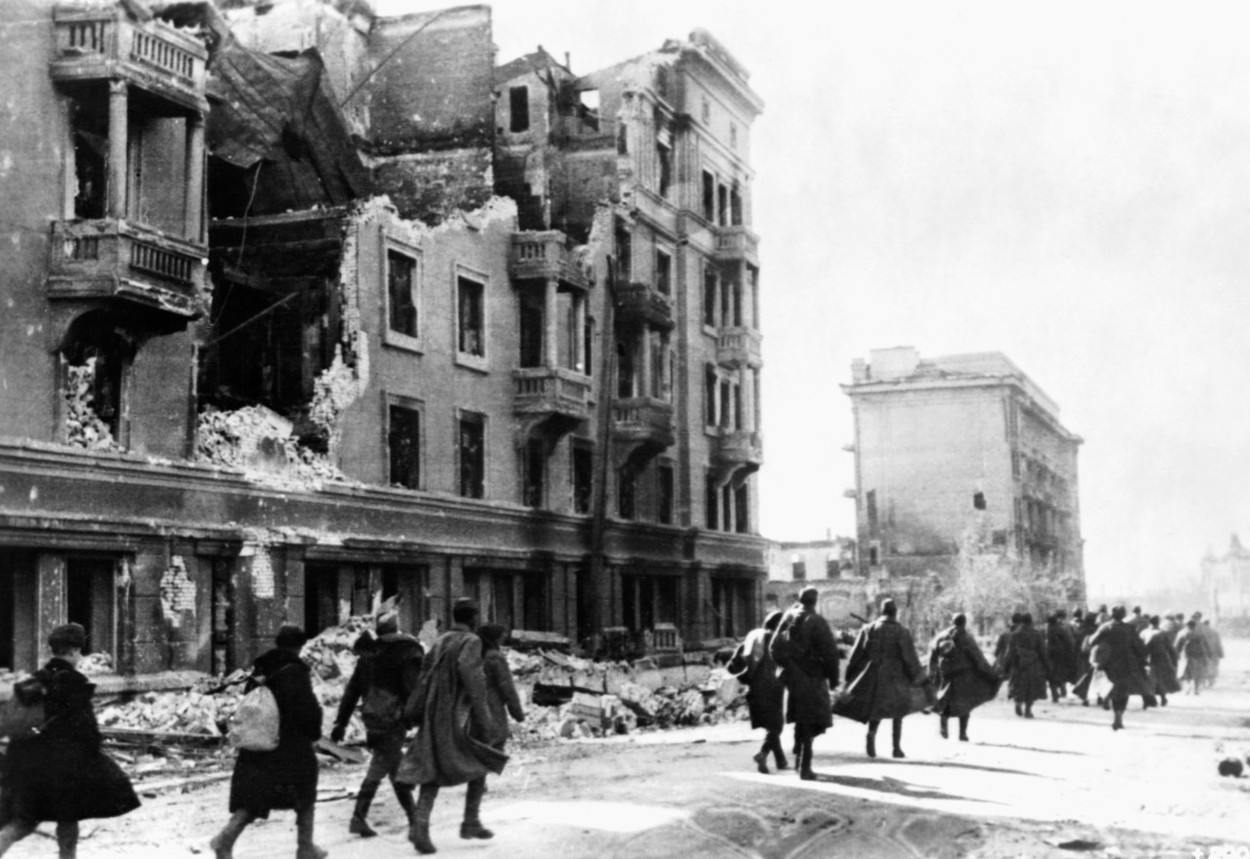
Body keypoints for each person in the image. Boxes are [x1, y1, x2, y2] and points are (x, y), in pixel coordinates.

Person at [0, 623, 140, 858]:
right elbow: (87, 730)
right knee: (65, 819)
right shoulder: (74, 682)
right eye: (79, 652)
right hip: (60, 768)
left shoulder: (35, 679)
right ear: (74, 651)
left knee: (25, 820)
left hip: (24, 761)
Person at [397, 599, 507, 855]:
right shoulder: (472, 641)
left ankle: (422, 826)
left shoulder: (441, 640)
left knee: (433, 766)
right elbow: (472, 678)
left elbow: (424, 674)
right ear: (473, 618)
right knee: (481, 757)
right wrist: (485, 717)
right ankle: (470, 820)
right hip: (458, 715)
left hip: (434, 712)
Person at [211, 624, 325, 859]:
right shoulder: (296, 670)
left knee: (253, 797)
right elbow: (306, 709)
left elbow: (250, 701)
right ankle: (305, 846)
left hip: (259, 743)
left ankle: (225, 839)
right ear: (299, 646)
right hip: (289, 746)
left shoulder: (261, 667)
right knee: (305, 792)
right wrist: (314, 731)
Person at [331, 610, 424, 838]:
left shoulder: (368, 656)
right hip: (394, 718)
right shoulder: (406, 652)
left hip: (373, 717)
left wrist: (341, 722)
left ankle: (404, 818)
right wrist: (419, 716)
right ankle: (407, 819)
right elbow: (412, 689)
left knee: (389, 765)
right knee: (387, 766)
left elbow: (352, 691)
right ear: (396, 628)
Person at [835, 598, 927, 759]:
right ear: (895, 612)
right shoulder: (902, 632)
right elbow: (910, 658)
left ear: (882, 611)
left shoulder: (868, 629)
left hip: (874, 676)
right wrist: (919, 678)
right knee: (898, 711)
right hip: (897, 676)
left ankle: (871, 736)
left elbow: (856, 655)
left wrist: (850, 678)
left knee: (875, 709)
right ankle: (896, 748)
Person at [769, 587, 840, 780]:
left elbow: (774, 647)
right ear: (815, 601)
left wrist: (787, 667)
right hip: (812, 677)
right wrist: (833, 679)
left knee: (800, 718)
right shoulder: (817, 621)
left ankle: (799, 762)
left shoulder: (789, 617)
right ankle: (804, 767)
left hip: (792, 678)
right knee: (811, 720)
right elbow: (830, 653)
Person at [727, 610, 787, 774]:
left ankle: (781, 760)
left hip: (754, 687)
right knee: (776, 726)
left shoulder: (752, 636)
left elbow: (733, 664)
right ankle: (763, 754)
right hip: (773, 686)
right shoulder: (777, 639)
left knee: (770, 725)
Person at [927, 613, 1000, 742]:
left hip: (946, 674)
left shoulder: (941, 636)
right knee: (965, 703)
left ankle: (943, 724)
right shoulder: (967, 638)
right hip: (964, 675)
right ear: (964, 623)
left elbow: (933, 655)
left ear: (952, 622)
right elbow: (977, 658)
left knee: (945, 700)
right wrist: (990, 674)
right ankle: (962, 734)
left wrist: (931, 674)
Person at [1083, 605, 1154, 730]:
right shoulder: (1129, 628)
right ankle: (1118, 716)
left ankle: (1108, 702)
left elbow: (1092, 641)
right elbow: (1139, 646)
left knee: (1110, 686)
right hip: (1126, 663)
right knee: (1123, 691)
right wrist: (1142, 656)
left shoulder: (1105, 627)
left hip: (1108, 663)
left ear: (1112, 614)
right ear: (1123, 615)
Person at [478, 623, 526, 751]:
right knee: (496, 740)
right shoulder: (495, 657)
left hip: (476, 703)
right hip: (493, 703)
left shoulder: (477, 655)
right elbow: (507, 687)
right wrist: (517, 712)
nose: (504, 638)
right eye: (501, 636)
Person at [1004, 612, 1050, 718]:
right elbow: (1042, 652)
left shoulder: (1015, 634)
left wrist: (1006, 666)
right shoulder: (1036, 634)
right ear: (1031, 621)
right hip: (1033, 664)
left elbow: (1010, 652)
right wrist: (1047, 665)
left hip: (1018, 664)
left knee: (1018, 685)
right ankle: (1028, 710)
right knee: (1031, 687)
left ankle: (1018, 702)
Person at [1140, 615, 1181, 706]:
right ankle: (1162, 698)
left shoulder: (1144, 632)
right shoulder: (1162, 633)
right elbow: (1169, 647)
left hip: (1147, 659)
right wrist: (1174, 657)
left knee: (1149, 679)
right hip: (1161, 658)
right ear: (1158, 623)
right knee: (1160, 679)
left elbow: (1140, 646)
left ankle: (1149, 700)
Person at [1045, 611, 1078, 702]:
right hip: (1061, 655)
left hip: (1050, 654)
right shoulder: (1061, 630)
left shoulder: (1047, 630)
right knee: (1060, 672)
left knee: (1051, 674)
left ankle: (1054, 694)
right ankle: (1063, 690)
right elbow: (1069, 642)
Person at [1174, 617, 1211, 696]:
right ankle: (1196, 689)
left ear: (1186, 625)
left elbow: (1177, 646)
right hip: (1199, 655)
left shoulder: (1182, 633)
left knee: (1188, 673)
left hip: (1187, 656)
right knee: (1198, 673)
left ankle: (1187, 688)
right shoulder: (1200, 633)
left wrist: (1175, 654)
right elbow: (1206, 645)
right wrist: (1208, 654)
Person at [1201, 620, 1224, 688]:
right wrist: (1221, 653)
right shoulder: (1215, 632)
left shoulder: (1200, 632)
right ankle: (1211, 682)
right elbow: (1219, 644)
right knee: (1213, 667)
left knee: (1203, 667)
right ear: (1209, 624)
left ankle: (1203, 682)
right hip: (1214, 653)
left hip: (1204, 653)